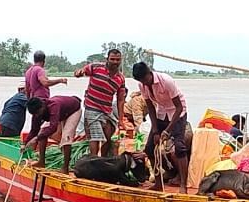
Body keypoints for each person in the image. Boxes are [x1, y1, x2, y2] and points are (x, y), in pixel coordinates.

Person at [133, 62, 190, 193]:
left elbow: (179, 107)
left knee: (179, 147)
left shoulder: (166, 81)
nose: (145, 83)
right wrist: (155, 130)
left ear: (149, 73)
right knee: (149, 148)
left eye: (145, 79)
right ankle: (158, 182)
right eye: (141, 81)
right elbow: (151, 107)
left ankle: (183, 184)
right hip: (161, 113)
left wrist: (167, 131)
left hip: (177, 113)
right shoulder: (142, 84)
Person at [74, 48, 127, 157]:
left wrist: (121, 119)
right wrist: (79, 73)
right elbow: (80, 72)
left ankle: (102, 160)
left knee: (108, 137)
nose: (115, 62)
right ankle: (94, 160)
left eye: (118, 60)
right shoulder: (95, 67)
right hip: (92, 107)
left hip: (106, 110)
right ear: (107, 59)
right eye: (112, 59)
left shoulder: (121, 78)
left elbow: (121, 100)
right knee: (96, 137)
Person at [21, 96, 83, 175]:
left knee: (66, 137)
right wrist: (24, 143)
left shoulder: (53, 106)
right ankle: (41, 161)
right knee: (42, 133)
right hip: (61, 114)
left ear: (42, 107)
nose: (37, 115)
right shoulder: (36, 113)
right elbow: (34, 130)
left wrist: (36, 139)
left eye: (37, 113)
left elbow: (53, 127)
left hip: (73, 110)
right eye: (34, 114)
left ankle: (65, 168)